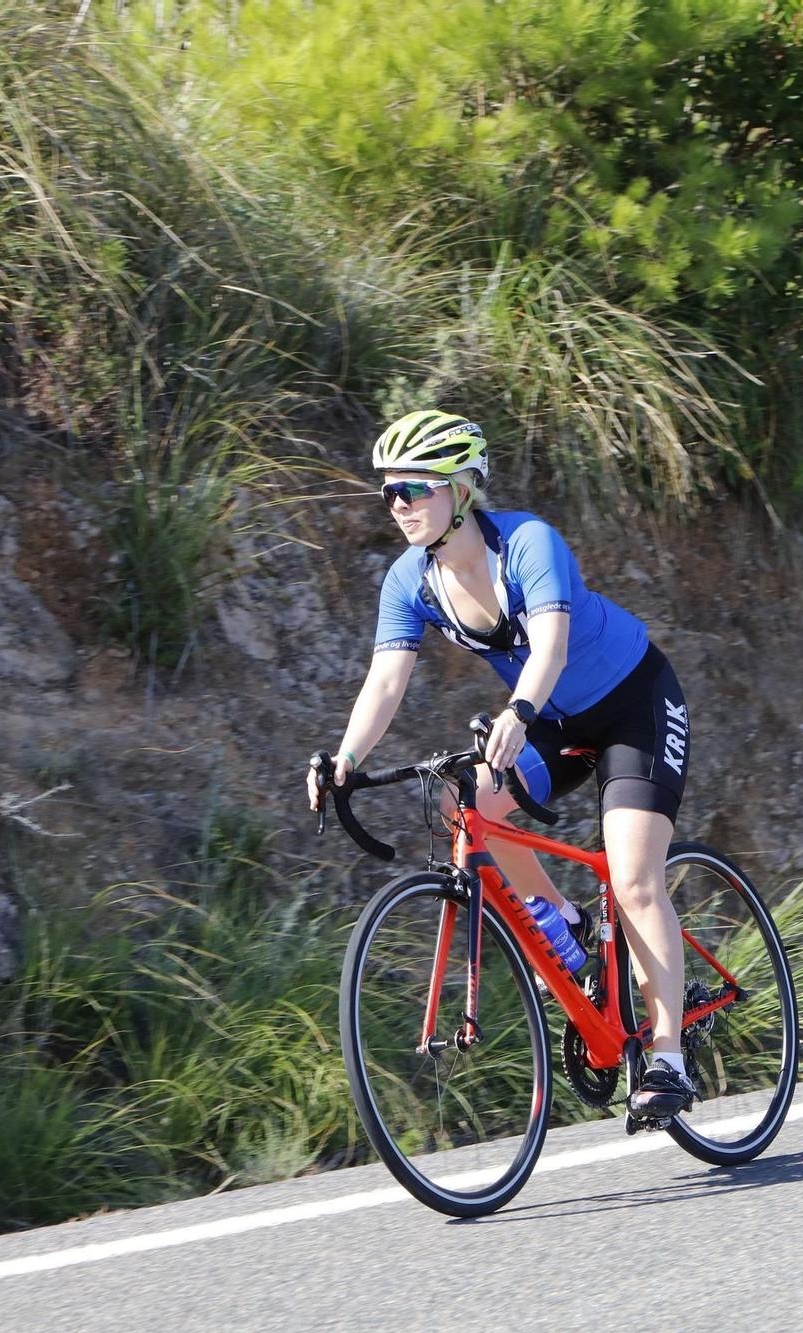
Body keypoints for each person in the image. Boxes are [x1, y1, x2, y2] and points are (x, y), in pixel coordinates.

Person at [305, 409, 697, 1120]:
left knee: (636, 876)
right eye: (389, 492)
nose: (399, 506)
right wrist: (347, 759)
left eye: (414, 489)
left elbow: (548, 645)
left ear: (460, 489)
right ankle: (567, 924)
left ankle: (667, 1058)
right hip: (548, 718)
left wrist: (516, 711)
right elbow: (386, 679)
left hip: (633, 704)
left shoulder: (527, 543)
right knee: (470, 806)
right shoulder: (408, 581)